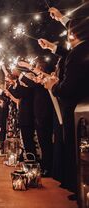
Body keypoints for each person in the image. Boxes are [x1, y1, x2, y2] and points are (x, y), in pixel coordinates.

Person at [40, 17, 89, 195]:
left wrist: (53, 86)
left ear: (72, 33)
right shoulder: (81, 50)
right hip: (82, 108)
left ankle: (80, 189)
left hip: (76, 111)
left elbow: (69, 88)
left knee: (76, 149)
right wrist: (51, 47)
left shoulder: (77, 53)